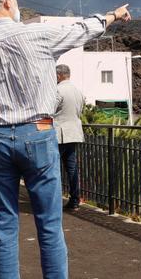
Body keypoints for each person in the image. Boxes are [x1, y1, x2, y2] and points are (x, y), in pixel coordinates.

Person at [0, 0, 131, 278]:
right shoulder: (37, 34)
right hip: (37, 133)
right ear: (8, 1)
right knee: (49, 224)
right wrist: (113, 15)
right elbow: (81, 30)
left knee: (4, 227)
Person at [52, 64, 85, 211]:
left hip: (59, 133)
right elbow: (81, 110)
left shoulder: (58, 90)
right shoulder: (78, 91)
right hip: (75, 132)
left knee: (54, 168)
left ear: (59, 76)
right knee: (72, 168)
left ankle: (55, 201)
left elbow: (50, 110)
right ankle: (75, 200)